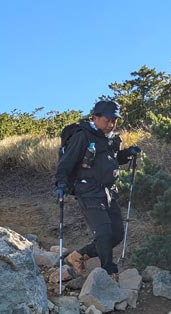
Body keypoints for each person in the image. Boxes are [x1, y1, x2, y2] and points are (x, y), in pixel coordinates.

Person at [55, 99, 141, 278]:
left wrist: (128, 153)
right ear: (95, 117)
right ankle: (108, 273)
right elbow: (66, 162)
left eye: (114, 120)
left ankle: (77, 256)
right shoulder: (82, 136)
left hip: (109, 192)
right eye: (107, 120)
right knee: (103, 232)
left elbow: (113, 159)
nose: (111, 124)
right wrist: (61, 183)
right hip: (88, 191)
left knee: (116, 234)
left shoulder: (112, 139)